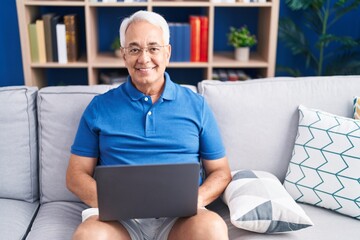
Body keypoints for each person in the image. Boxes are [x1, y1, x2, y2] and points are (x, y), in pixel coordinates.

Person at [66, 10, 231, 240]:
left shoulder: (197, 106)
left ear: (168, 53)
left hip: (180, 219)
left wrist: (196, 199)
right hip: (118, 220)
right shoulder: (99, 107)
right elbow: (75, 174)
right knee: (89, 236)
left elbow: (221, 172)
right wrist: (111, 202)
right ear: (124, 56)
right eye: (134, 49)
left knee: (212, 228)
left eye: (153, 48)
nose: (144, 59)